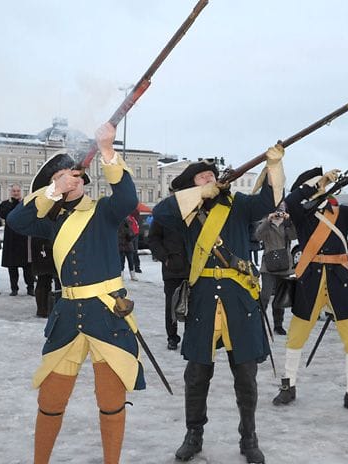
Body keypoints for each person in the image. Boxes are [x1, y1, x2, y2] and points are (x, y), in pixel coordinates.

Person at [7, 123, 141, 464]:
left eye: (76, 174)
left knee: (110, 401)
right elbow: (17, 222)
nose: (73, 178)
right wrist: (52, 192)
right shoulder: (49, 221)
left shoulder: (103, 212)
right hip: (68, 317)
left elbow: (127, 198)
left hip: (107, 313)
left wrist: (108, 150)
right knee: (50, 401)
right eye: (64, 175)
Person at [152, 146, 283, 464]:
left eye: (212, 174)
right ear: (192, 185)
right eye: (203, 176)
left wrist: (274, 166)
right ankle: (193, 435)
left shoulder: (236, 204)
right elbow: (161, 213)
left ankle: (249, 438)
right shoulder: (183, 210)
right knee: (197, 376)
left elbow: (268, 202)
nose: (211, 177)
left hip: (239, 299)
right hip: (203, 302)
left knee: (246, 376)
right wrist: (201, 193)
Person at [272, 161, 348, 418]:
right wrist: (314, 187)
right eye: (318, 183)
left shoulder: (342, 212)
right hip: (310, 278)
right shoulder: (301, 213)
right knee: (296, 337)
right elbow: (287, 204)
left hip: (340, 279)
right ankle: (288, 385)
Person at [147, 216, 189, 351]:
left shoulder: (194, 210)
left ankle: (190, 337)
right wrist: (165, 258)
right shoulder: (164, 214)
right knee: (171, 305)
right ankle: (172, 337)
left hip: (193, 268)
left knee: (194, 305)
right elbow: (153, 239)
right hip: (172, 269)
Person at [255, 206, 296, 333]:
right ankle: (258, 323)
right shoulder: (265, 223)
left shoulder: (287, 224)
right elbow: (258, 236)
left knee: (280, 297)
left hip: (284, 265)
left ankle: (278, 325)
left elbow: (294, 236)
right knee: (265, 296)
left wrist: (290, 221)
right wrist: (268, 220)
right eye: (277, 210)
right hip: (268, 266)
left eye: (282, 210)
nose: (279, 213)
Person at [0, 184, 33, 296]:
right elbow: (4, 214)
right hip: (11, 239)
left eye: (18, 191)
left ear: (21, 192)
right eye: (14, 191)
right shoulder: (5, 204)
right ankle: (14, 288)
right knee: (12, 266)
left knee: (28, 267)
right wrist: (13, 203)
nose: (16, 193)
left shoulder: (26, 203)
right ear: (11, 192)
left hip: (24, 238)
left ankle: (30, 287)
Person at [30, 235, 59, 318]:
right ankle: (44, 309)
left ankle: (44, 308)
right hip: (45, 251)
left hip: (43, 252)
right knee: (44, 282)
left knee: (44, 281)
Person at [118, 217, 139, 281]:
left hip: (122, 246)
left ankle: (122, 276)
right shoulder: (127, 228)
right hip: (127, 246)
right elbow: (130, 236)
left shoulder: (118, 227)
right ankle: (132, 276)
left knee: (123, 261)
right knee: (130, 261)